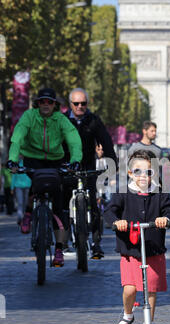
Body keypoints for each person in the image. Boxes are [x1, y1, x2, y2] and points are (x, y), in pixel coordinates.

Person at [104, 150, 170, 324]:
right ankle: (128, 315)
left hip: (153, 248)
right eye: (138, 171)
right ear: (130, 173)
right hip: (130, 250)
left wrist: (165, 218)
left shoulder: (159, 193)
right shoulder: (123, 193)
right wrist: (117, 222)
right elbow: (110, 211)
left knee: (150, 290)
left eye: (148, 172)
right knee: (130, 288)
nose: (143, 176)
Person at [6, 88, 82, 267]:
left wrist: (75, 160)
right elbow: (17, 137)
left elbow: (73, 139)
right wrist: (12, 159)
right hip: (33, 158)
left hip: (56, 160)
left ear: (55, 105)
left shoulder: (61, 119)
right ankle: (27, 213)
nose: (46, 105)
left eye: (49, 102)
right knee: (35, 186)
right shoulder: (29, 116)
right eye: (42, 101)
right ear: (37, 103)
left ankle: (59, 249)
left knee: (58, 205)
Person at [62, 88, 117, 259]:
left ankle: (96, 243)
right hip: (66, 166)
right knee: (62, 205)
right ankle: (62, 242)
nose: (80, 107)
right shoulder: (61, 120)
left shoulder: (94, 120)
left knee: (93, 203)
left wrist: (112, 162)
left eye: (83, 103)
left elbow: (105, 140)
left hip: (87, 166)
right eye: (76, 104)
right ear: (70, 104)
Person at [11, 156, 31, 225]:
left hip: (27, 185)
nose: (20, 156)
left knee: (24, 203)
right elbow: (13, 176)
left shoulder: (28, 163)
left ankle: (24, 218)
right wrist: (12, 187)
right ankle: (20, 217)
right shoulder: (16, 164)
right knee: (21, 203)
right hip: (19, 186)